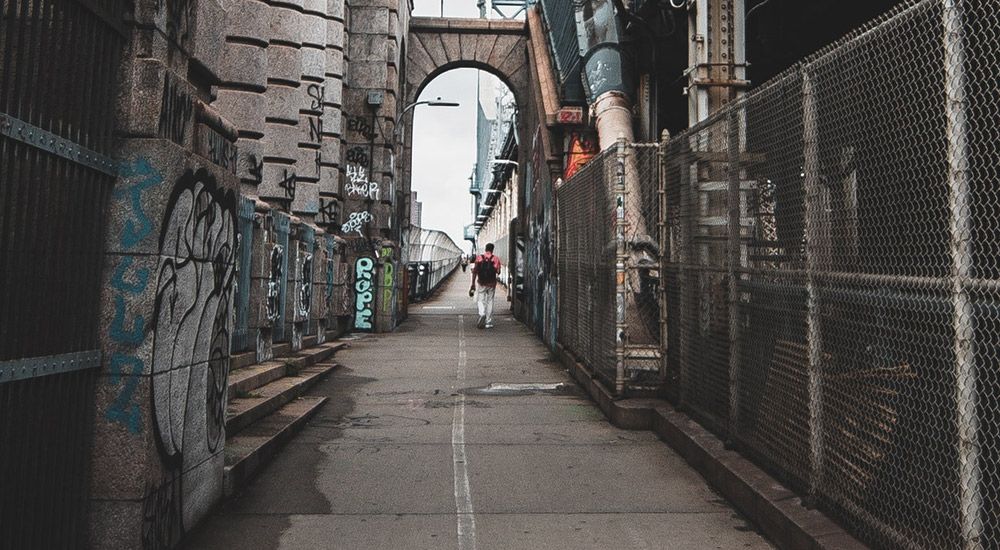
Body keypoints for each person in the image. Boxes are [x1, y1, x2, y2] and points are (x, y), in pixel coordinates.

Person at [469, 243, 501, 329]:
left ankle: (482, 313)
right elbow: (498, 272)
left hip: (481, 282)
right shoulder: (496, 259)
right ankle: (488, 322)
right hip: (491, 283)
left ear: (485, 249)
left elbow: (475, 271)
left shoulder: (479, 258)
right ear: (492, 250)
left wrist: (473, 283)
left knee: (480, 300)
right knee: (490, 301)